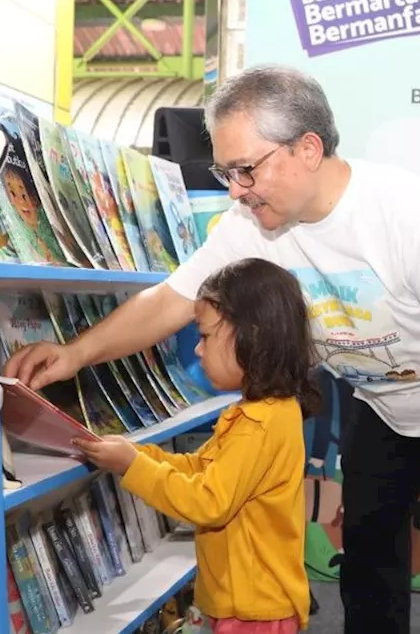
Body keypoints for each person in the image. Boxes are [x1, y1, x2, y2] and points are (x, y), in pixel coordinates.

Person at [4, 64, 420, 634]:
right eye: (226, 172)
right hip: (379, 404)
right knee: (370, 561)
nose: (235, 189)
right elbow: (172, 300)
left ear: (308, 148)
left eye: (246, 170)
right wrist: (75, 354)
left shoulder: (406, 213)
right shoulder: (249, 223)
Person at [73, 258, 313, 633]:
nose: (198, 351)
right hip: (242, 602)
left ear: (252, 335)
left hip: (254, 611)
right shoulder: (259, 412)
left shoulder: (259, 423)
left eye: (205, 336)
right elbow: (202, 467)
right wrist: (139, 454)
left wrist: (132, 467)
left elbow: (207, 501)